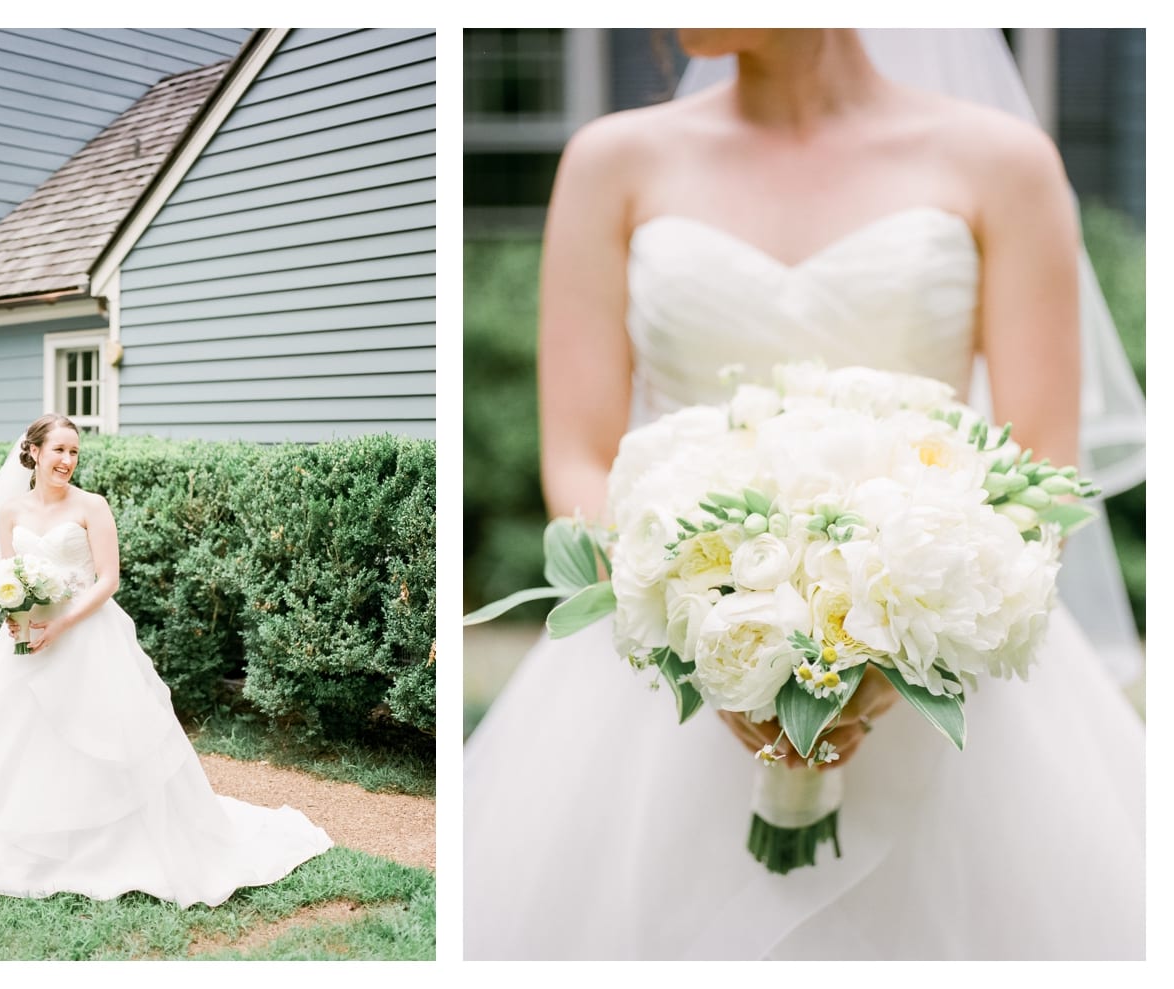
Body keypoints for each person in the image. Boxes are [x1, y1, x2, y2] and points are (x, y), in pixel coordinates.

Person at [463, 29, 1144, 959]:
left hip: (946, 668)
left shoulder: (1004, 164)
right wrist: (703, 627)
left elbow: (1043, 469)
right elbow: (579, 460)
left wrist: (890, 650)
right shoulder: (611, 163)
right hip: (671, 673)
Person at [0, 413, 333, 907]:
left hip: (86, 635)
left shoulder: (92, 506)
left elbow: (108, 580)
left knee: (99, 740)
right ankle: (17, 840)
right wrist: (18, 620)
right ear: (34, 452)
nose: (67, 460)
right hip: (27, 638)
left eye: (74, 452)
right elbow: (8, 577)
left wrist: (59, 625)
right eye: (59, 449)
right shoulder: (10, 511)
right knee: (15, 739)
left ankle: (106, 846)